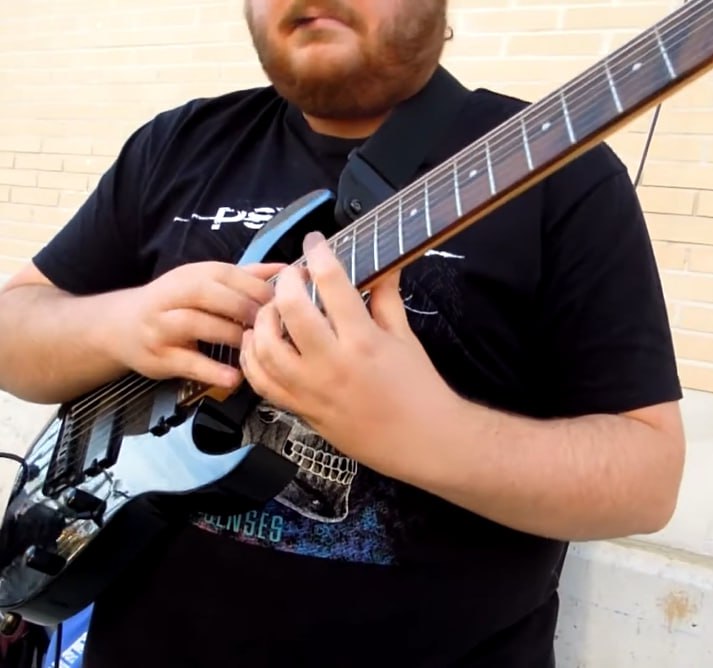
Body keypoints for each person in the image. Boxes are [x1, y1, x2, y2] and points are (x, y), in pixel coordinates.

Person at [0, 1, 685, 666]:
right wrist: (121, 323)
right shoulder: (176, 144)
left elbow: (646, 480)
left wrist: (432, 434)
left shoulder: (561, 171)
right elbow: (14, 330)